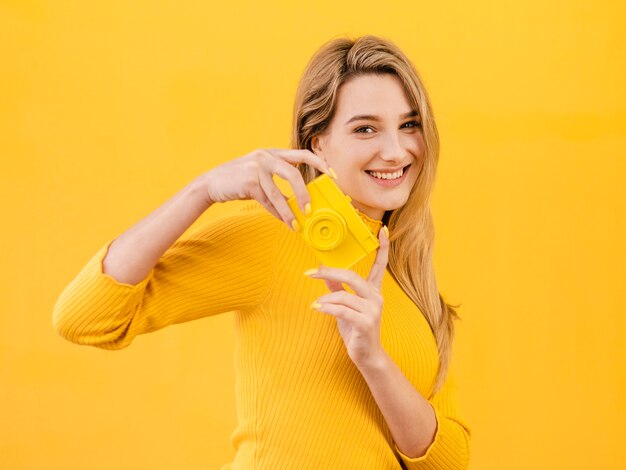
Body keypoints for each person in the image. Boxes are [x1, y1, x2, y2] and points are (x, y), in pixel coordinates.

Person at [53, 35, 471, 469]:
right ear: (317, 144)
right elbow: (86, 318)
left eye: (409, 124)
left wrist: (374, 361)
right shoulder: (276, 233)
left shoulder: (410, 271)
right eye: (365, 128)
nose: (395, 150)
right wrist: (203, 190)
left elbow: (450, 461)